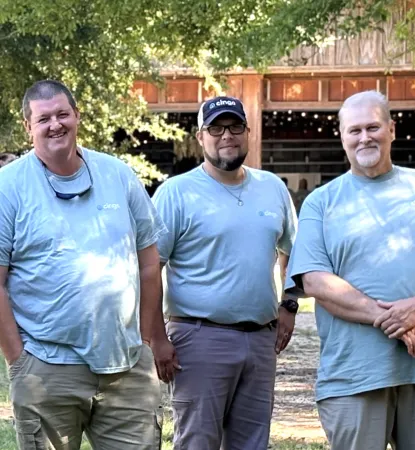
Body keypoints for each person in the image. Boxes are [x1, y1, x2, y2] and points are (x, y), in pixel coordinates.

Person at [0, 79, 170, 449]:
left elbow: (148, 262)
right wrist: (19, 360)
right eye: (43, 118)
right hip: (46, 368)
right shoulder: (7, 187)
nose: (55, 124)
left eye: (63, 114)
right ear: (28, 127)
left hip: (127, 368)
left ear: (78, 116)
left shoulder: (119, 175)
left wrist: (143, 339)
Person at [285, 90, 415, 450]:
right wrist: (395, 320)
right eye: (354, 130)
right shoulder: (322, 202)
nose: (365, 137)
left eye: (373, 127)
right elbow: (314, 280)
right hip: (354, 373)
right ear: (342, 137)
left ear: (391, 129)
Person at [152, 96, 297, 450]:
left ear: (248, 133)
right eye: (215, 128)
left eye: (234, 127)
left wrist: (289, 303)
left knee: (252, 443)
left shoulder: (272, 187)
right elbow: (148, 268)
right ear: (200, 137)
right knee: (198, 443)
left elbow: (293, 249)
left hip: (261, 341)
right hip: (199, 338)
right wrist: (157, 338)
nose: (226, 135)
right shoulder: (176, 193)